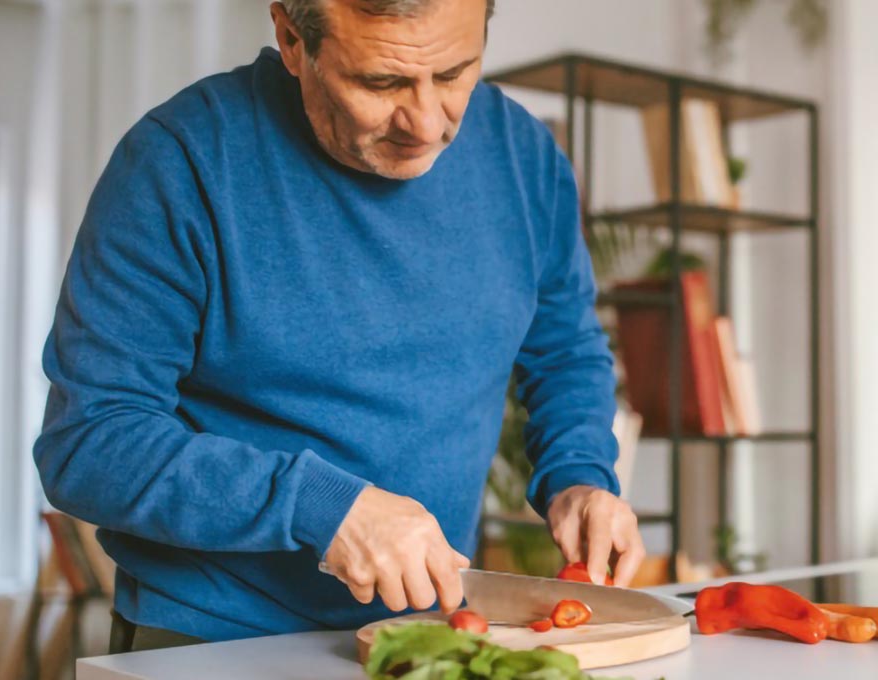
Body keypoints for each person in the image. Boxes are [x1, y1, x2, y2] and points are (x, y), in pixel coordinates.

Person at [34, 0, 644, 653]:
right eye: (381, 83)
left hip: (426, 637)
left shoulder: (527, 162)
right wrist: (319, 505)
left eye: (455, 72)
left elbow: (567, 351)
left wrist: (580, 475)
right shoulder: (179, 162)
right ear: (293, 39)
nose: (427, 122)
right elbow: (89, 441)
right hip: (210, 643)